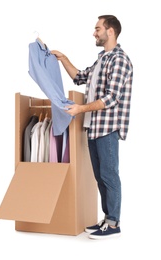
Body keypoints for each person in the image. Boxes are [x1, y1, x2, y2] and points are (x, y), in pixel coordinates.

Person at [51, 15, 133, 239]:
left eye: (97, 29)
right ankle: (107, 219)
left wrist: (80, 109)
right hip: (93, 128)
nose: (94, 33)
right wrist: (63, 58)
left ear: (110, 31)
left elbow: (111, 98)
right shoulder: (101, 59)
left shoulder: (119, 60)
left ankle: (114, 223)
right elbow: (79, 77)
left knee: (109, 175)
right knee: (100, 176)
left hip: (107, 128)